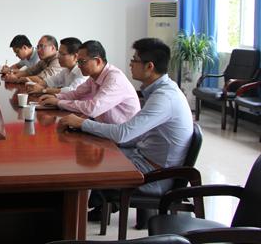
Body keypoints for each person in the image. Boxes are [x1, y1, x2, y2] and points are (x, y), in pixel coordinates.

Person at [58, 38, 194, 218]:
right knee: (90, 152)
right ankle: (88, 208)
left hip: (155, 175)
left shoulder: (164, 98)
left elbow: (122, 134)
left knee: (86, 166)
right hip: (143, 157)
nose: (130, 64)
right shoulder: (161, 90)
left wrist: (82, 123)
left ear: (149, 66)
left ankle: (72, 218)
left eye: (134, 60)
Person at [39, 40, 140, 124]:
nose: (79, 66)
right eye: (78, 62)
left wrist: (58, 102)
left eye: (82, 62)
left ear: (98, 61)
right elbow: (76, 93)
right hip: (103, 127)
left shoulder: (114, 79)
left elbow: (93, 109)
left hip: (121, 137)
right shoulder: (94, 76)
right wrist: (56, 97)